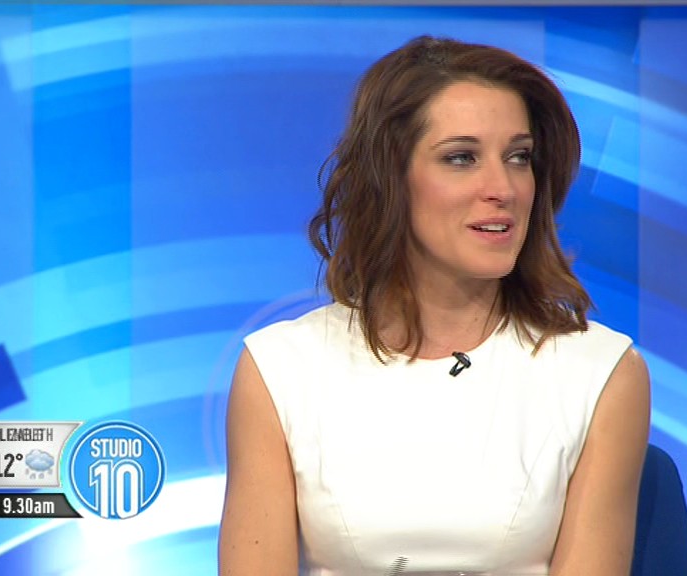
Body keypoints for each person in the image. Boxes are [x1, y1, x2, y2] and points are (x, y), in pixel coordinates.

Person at [218, 35, 650, 576]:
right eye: (461, 158)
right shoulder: (281, 369)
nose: (503, 187)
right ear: (390, 180)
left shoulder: (601, 372)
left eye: (518, 157)